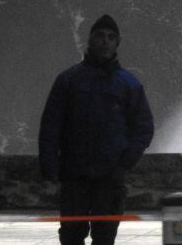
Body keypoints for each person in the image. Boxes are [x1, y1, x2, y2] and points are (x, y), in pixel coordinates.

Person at [39, 14, 154, 245]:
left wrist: (124, 164)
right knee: (71, 237)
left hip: (110, 177)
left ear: (117, 43)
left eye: (111, 37)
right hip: (73, 175)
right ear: (90, 40)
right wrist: (50, 167)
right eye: (100, 36)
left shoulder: (129, 84)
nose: (105, 41)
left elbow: (144, 128)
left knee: (105, 238)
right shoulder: (68, 80)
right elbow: (51, 126)